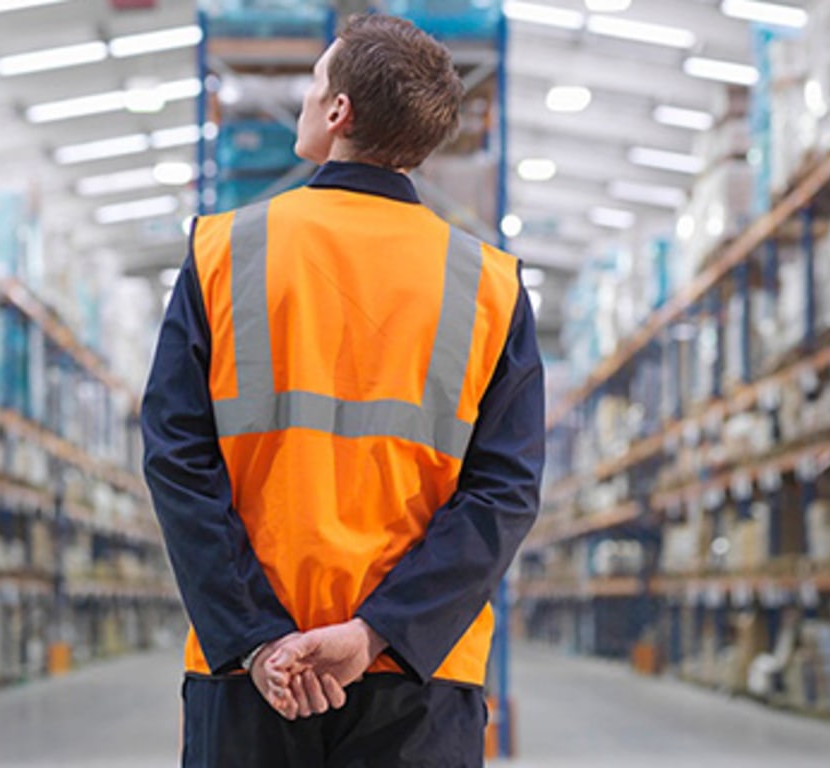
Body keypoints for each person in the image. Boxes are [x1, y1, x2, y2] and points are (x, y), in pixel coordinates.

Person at [142, 14, 544, 768]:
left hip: (256, 674)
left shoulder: (222, 253)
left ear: (339, 113)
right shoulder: (491, 286)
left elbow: (177, 461)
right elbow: (504, 495)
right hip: (420, 675)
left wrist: (255, 638)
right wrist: (378, 631)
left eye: (315, 82)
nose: (305, 96)